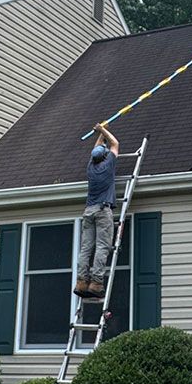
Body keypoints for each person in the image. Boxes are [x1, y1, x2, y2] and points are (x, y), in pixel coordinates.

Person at [74, 122, 120, 299]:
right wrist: (103, 131)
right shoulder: (108, 166)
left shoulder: (91, 167)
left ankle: (81, 282)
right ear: (105, 156)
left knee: (86, 248)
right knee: (102, 246)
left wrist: (100, 132)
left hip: (88, 211)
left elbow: (96, 148)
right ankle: (96, 282)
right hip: (102, 210)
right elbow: (115, 144)